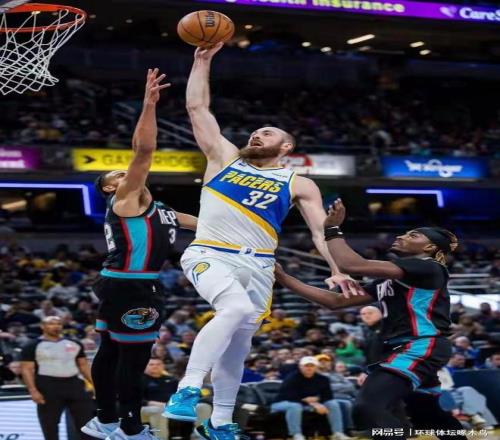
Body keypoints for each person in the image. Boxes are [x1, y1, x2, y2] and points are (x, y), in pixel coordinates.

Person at [163, 43, 360, 440]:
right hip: (211, 253)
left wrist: (337, 269)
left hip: (260, 265)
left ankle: (220, 422)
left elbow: (320, 231)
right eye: (254, 132)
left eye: (266, 132)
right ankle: (187, 388)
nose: (256, 134)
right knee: (233, 308)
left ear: (286, 147)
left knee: (238, 346)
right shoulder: (224, 159)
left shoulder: (297, 182)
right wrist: (202, 61)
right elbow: (197, 108)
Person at [275, 199, 468, 440]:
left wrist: (332, 229)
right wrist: (284, 278)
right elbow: (335, 301)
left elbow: (352, 265)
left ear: (429, 247)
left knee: (368, 407)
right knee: (426, 414)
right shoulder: (393, 278)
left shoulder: (429, 268)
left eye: (413, 235)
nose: (402, 236)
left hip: (420, 344)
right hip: (407, 346)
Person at [80, 69, 198, 440]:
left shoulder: (159, 208)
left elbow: (205, 224)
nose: (126, 174)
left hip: (123, 283)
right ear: (110, 189)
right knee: (134, 359)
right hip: (131, 285)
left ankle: (105, 419)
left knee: (111, 351)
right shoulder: (125, 200)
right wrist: (148, 105)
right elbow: (143, 151)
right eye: (117, 175)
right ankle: (130, 429)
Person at [20, 316, 94, 440]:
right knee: (50, 425)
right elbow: (27, 369)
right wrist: (33, 391)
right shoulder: (32, 345)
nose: (56, 326)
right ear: (42, 327)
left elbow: (83, 366)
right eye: (51, 324)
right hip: (47, 386)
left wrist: (96, 384)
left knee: (86, 423)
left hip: (74, 384)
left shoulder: (74, 343)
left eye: (58, 323)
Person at [271, 356, 352, 440]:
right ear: (300, 367)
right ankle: (296, 434)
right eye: (306, 366)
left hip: (306, 403)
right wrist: (313, 403)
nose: (309, 368)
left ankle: (337, 433)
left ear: (316, 367)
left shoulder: (323, 379)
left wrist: (317, 400)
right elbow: (288, 396)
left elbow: (328, 396)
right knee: (294, 406)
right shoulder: (292, 378)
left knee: (332, 403)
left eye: (312, 366)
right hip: (282, 403)